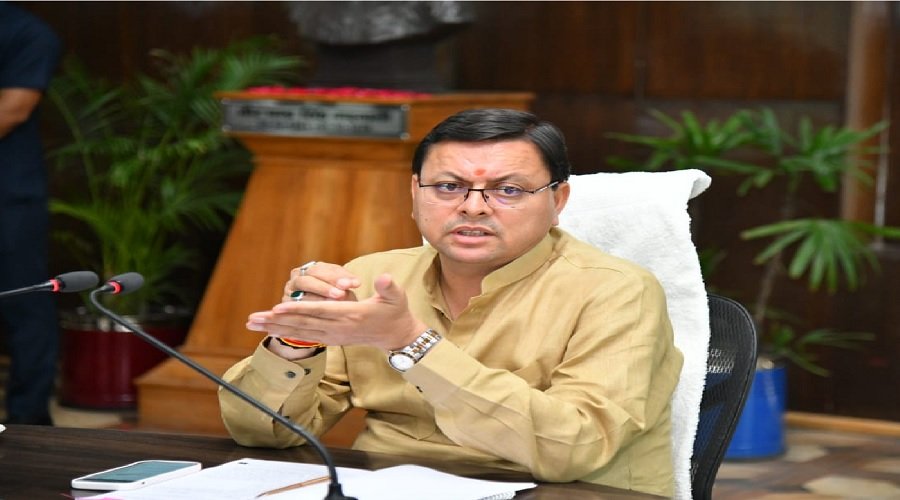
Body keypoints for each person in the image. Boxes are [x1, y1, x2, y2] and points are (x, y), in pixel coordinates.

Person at [219, 108, 684, 496]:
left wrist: (410, 342)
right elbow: (263, 433)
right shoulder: (373, 278)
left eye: (508, 190)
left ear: (558, 200)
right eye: (447, 187)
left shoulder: (618, 291)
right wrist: (297, 340)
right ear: (414, 193)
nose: (473, 207)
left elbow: (573, 450)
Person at [0, 2, 63, 426]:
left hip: (9, 195)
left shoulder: (27, 33)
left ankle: (28, 421)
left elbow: (13, 109)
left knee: (25, 304)